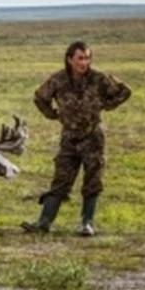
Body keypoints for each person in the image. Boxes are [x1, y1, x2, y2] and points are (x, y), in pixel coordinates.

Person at [22, 41, 132, 236]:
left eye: (87, 58)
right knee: (61, 180)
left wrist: (105, 104)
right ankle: (43, 223)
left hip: (93, 137)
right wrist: (54, 115)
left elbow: (124, 91)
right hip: (69, 138)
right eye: (80, 58)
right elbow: (40, 97)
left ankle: (86, 223)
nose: (84, 62)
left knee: (92, 180)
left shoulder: (99, 79)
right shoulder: (58, 80)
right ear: (70, 59)